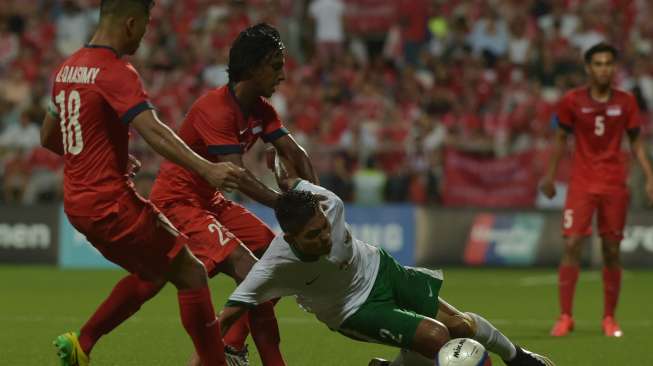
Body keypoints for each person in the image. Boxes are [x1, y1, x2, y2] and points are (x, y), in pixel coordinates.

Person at [61, 23, 319, 366]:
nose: (283, 76)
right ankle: (235, 353)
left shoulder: (260, 109)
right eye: (276, 66)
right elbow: (236, 176)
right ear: (254, 67)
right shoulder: (215, 109)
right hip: (179, 202)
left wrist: (316, 200)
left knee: (270, 259)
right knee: (248, 272)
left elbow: (295, 153)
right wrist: (284, 203)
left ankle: (229, 347)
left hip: (209, 200)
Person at [188, 151, 556, 366]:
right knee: (439, 338)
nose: (325, 237)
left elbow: (292, 183)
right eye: (313, 237)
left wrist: (281, 171)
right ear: (290, 238)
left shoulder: (329, 203)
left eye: (324, 228)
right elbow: (227, 316)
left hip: (379, 268)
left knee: (461, 326)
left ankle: (518, 357)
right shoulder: (274, 265)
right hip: (351, 309)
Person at [41, 1, 245, 365]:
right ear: (131, 23)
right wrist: (206, 169)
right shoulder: (116, 71)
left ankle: (81, 344)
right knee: (193, 273)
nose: (146, 34)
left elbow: (48, 136)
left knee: (153, 271)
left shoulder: (66, 68)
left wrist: (98, 153)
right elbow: (153, 130)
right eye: (147, 26)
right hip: (111, 204)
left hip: (77, 203)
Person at [540, 42, 653, 337]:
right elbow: (561, 140)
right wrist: (550, 176)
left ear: (614, 68)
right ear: (589, 68)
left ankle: (609, 319)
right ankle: (565, 316)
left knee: (612, 250)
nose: (604, 68)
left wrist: (650, 177)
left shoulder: (627, 102)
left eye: (608, 63)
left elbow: (637, 143)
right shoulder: (572, 101)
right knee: (571, 244)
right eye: (598, 63)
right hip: (582, 182)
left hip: (615, 183)